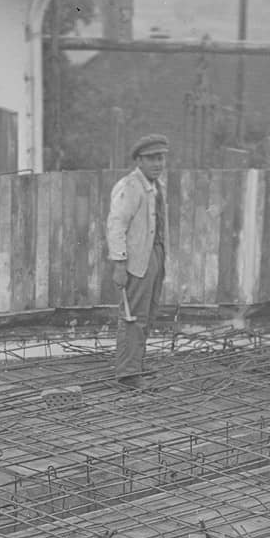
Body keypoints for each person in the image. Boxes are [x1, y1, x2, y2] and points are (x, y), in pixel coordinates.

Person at [105, 133, 169, 389]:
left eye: (161, 158)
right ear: (139, 160)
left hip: (154, 254)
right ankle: (128, 374)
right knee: (133, 317)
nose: (158, 163)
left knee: (148, 314)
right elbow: (115, 225)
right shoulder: (130, 186)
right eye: (152, 158)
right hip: (136, 260)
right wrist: (120, 264)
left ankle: (137, 365)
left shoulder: (155, 186)